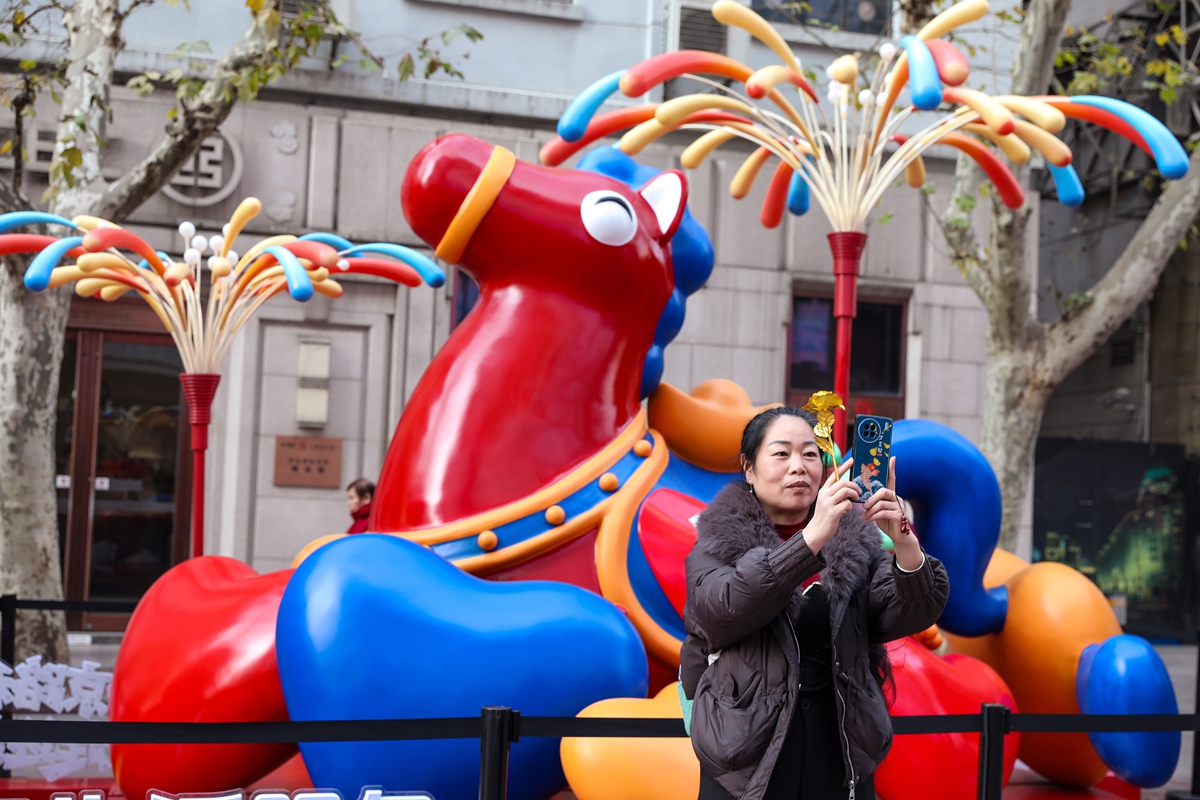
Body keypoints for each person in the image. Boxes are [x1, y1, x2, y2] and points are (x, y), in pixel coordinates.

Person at [681, 406, 949, 800]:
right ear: (749, 468)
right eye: (781, 453)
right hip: (745, 759)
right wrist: (810, 540)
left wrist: (906, 543)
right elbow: (721, 611)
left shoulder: (855, 540)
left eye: (810, 454)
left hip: (840, 750)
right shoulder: (717, 540)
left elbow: (902, 611)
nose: (799, 467)